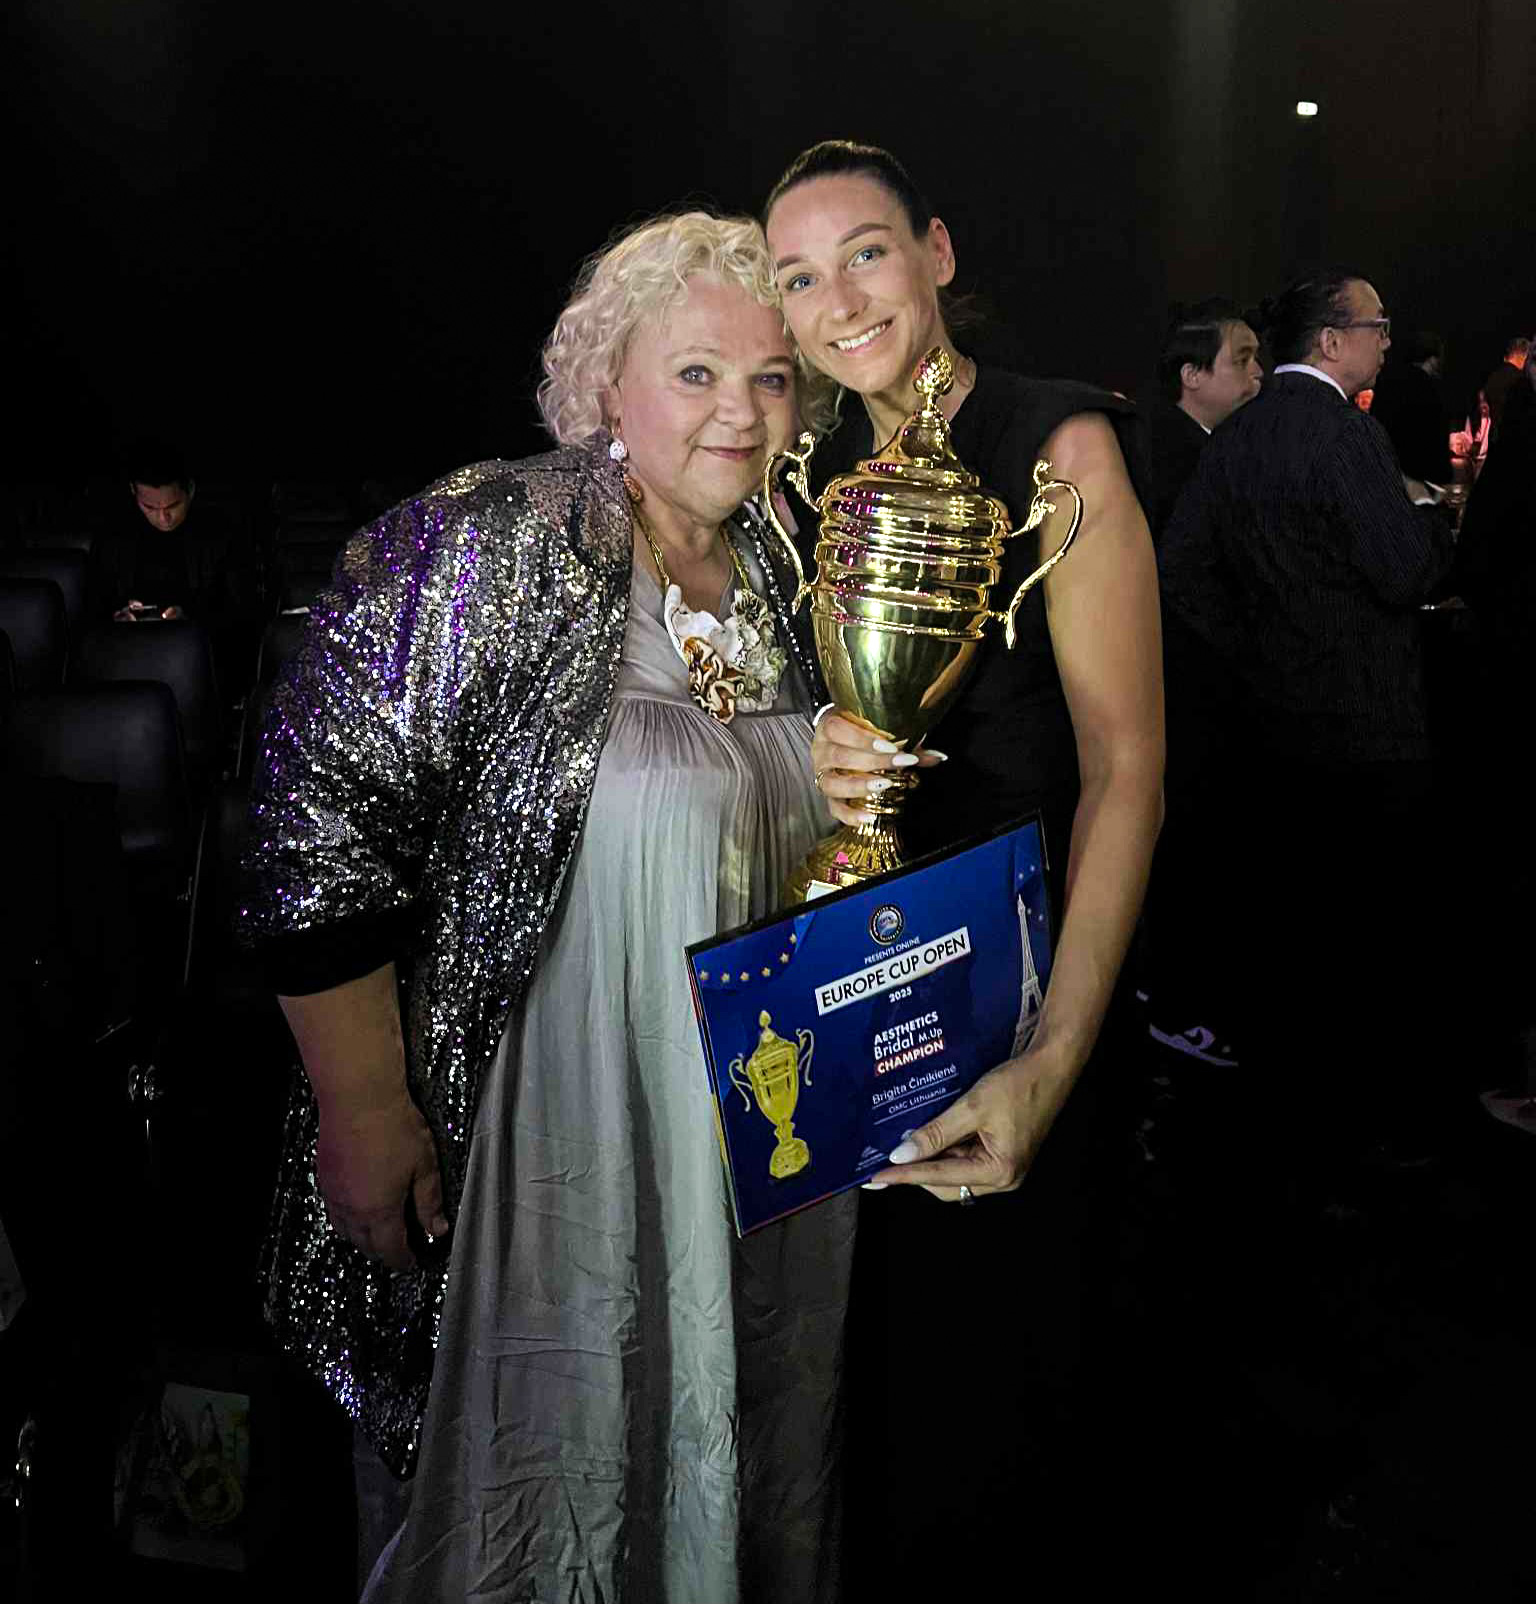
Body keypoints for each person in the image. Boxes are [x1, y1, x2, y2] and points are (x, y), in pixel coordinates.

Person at [243, 212, 853, 1603]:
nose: (743, 410)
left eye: (770, 378)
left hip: (737, 1138)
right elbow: (316, 814)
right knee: (532, 1482)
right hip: (549, 1141)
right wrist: (363, 1106)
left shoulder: (779, 569)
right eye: (696, 373)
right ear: (607, 385)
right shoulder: (505, 536)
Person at [763, 140, 1163, 1595]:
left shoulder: (1059, 449)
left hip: (1020, 998)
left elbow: (1129, 771)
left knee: (1000, 1417)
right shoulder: (803, 476)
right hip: (861, 997)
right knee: (863, 1403)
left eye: (865, 252)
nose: (839, 301)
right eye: (798, 277)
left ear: (935, 253)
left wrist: (1054, 1058)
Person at [1142, 298, 1263, 538]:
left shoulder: (1222, 448)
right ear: (1192, 375)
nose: (1258, 372)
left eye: (1255, 358)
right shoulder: (1173, 465)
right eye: (1242, 360)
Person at [1370, 329, 1453, 486]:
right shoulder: (1430, 390)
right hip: (1420, 480)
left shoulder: (1387, 383)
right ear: (1433, 359)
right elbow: (1436, 442)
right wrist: (1444, 477)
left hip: (1385, 475)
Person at [1481, 332, 1530, 439]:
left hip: (1494, 441)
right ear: (1525, 357)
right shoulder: (1522, 382)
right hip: (1517, 441)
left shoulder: (1492, 378)